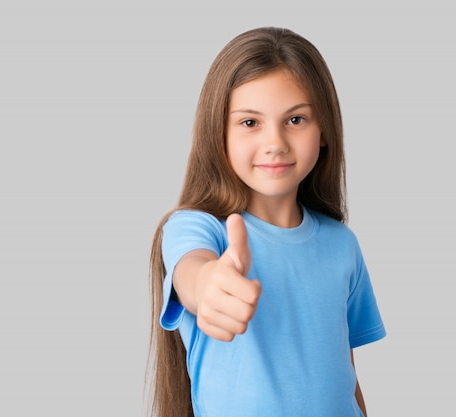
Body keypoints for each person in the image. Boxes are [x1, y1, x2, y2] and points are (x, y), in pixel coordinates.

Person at [147, 26, 386, 417]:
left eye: (295, 120)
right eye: (249, 122)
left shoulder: (343, 244)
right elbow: (193, 271)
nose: (275, 142)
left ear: (323, 130)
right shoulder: (196, 227)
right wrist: (208, 285)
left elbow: (345, 376)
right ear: (218, 133)